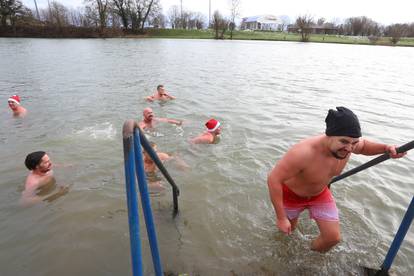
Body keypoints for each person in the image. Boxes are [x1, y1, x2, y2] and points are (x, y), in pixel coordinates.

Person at [267, 107, 407, 253]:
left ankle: (307, 256)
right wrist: (281, 218)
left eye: (354, 143)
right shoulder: (303, 152)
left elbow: (364, 146)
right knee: (289, 231)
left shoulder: (350, 144)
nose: (349, 148)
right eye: (344, 142)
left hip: (320, 193)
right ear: (329, 136)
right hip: (291, 195)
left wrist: (386, 148)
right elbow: (274, 179)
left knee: (332, 238)